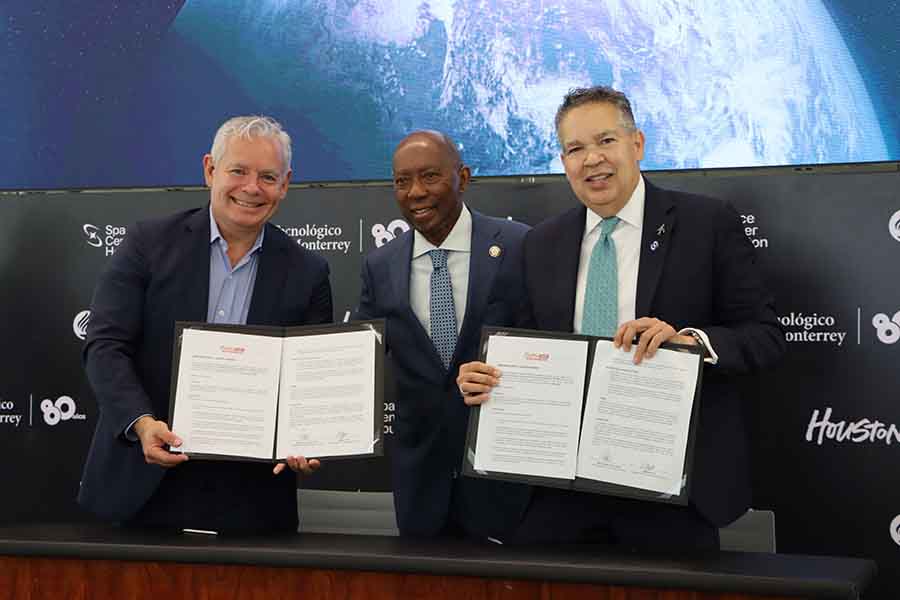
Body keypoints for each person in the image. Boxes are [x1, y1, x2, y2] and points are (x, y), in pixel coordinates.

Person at [458, 86, 786, 549]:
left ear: (638, 144)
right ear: (563, 161)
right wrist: (481, 374)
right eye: (575, 149)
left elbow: (765, 337)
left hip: (670, 487)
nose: (592, 159)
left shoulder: (706, 225)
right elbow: (512, 344)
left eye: (606, 141)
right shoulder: (540, 244)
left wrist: (691, 343)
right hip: (560, 488)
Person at [78, 116, 333, 534]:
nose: (252, 188)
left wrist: (306, 440)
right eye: (238, 171)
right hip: (142, 489)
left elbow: (309, 383)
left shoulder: (308, 271)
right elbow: (104, 346)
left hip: (253, 505)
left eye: (268, 176)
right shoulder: (148, 244)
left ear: (285, 184)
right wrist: (141, 423)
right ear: (210, 170)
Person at [356, 131, 531, 538]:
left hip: (502, 473)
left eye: (430, 176)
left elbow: (550, 347)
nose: (416, 192)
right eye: (402, 181)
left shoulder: (520, 245)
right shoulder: (379, 266)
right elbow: (361, 359)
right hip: (420, 482)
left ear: (463, 178)